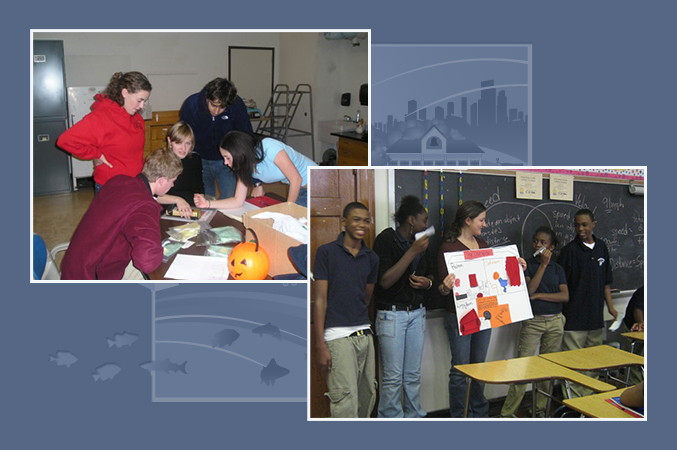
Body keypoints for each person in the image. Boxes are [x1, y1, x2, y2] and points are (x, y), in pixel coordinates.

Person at [437, 200, 526, 417]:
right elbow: (441, 291)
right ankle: (459, 416)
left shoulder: (484, 244)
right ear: (467, 221)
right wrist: (445, 287)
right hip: (459, 316)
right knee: (460, 370)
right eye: (481, 220)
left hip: (485, 315)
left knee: (480, 368)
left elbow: (493, 279)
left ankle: (479, 413)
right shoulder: (448, 248)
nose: (484, 224)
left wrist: (516, 265)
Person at [60, 149, 182, 280]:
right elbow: (147, 262)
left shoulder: (118, 181)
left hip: (75, 264)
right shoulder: (144, 205)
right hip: (91, 277)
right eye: (173, 180)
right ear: (162, 181)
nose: (173, 184)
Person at [312, 202, 380, 418]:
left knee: (368, 394)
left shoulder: (372, 258)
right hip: (337, 337)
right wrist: (320, 344)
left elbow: (366, 297)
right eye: (356, 219)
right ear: (344, 222)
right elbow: (320, 300)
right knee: (345, 401)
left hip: (365, 336)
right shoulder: (326, 253)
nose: (362, 224)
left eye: (366, 220)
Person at [372, 195, 434, 418]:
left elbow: (429, 274)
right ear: (411, 220)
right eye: (423, 220)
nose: (426, 225)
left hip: (417, 313)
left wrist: (429, 282)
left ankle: (414, 416)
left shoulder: (421, 244)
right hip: (392, 315)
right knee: (392, 376)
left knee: (412, 374)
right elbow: (385, 281)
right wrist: (412, 252)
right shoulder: (387, 240)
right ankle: (391, 419)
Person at [500, 226, 569, 418]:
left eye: (543, 242)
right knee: (522, 367)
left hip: (555, 321)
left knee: (547, 368)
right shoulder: (527, 265)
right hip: (534, 322)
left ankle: (540, 410)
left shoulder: (558, 268)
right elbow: (529, 291)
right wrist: (543, 266)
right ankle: (508, 413)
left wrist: (540, 295)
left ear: (551, 247)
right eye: (535, 241)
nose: (538, 245)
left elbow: (564, 296)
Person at [57, 71, 152, 192]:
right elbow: (66, 141)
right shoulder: (102, 117)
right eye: (139, 100)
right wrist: (96, 154)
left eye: (144, 101)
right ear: (124, 93)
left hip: (134, 183)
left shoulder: (136, 117)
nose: (142, 106)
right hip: (112, 187)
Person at [557, 208, 617, 398]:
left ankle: (592, 400)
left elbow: (606, 283)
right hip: (574, 318)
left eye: (584, 224)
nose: (580, 229)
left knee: (593, 362)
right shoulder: (569, 251)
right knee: (575, 363)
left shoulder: (601, 247)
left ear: (593, 224)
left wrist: (611, 308)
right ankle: (575, 403)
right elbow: (560, 285)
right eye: (576, 225)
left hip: (595, 317)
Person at [193, 131, 316, 209]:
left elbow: (296, 179)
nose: (225, 163)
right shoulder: (243, 166)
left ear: (239, 153)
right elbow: (237, 200)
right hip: (297, 188)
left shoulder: (269, 147)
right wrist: (208, 204)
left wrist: (289, 210)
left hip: (318, 183)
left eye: (227, 157)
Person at [180, 78, 253, 199]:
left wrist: (253, 177)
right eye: (214, 105)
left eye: (222, 107)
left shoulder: (237, 104)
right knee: (206, 200)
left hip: (228, 161)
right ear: (208, 97)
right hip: (200, 159)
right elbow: (183, 134)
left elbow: (246, 135)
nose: (217, 111)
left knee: (230, 200)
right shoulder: (192, 104)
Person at [155, 122, 204, 219]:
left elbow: (199, 188)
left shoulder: (195, 159)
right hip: (167, 209)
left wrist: (201, 200)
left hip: (191, 209)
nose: (183, 148)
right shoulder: (160, 160)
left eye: (187, 143)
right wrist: (179, 200)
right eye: (178, 143)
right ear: (169, 141)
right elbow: (154, 196)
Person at [620, 286, 644, 384]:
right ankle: (634, 387)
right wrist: (642, 323)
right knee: (635, 361)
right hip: (634, 327)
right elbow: (638, 310)